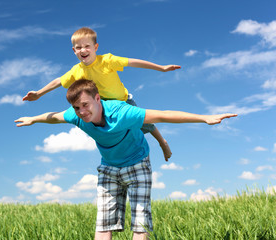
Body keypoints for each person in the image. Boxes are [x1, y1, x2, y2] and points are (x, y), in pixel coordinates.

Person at [15, 79, 237, 240]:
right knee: (103, 223)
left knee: (140, 224)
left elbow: (164, 114)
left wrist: (204, 118)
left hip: (138, 163)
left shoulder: (121, 113)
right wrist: (32, 119)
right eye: (76, 108)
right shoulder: (76, 115)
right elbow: (54, 117)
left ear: (97, 98)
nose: (81, 112)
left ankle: (162, 143)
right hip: (109, 168)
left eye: (85, 105)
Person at [22, 27, 181, 162]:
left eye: (87, 46)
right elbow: (58, 81)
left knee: (145, 123)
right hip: (101, 107)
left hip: (123, 102)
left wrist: (161, 68)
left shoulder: (107, 60)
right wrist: (38, 93)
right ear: (74, 50)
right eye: (78, 47)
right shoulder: (76, 71)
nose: (83, 50)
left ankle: (162, 142)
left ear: (95, 47)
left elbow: (134, 62)